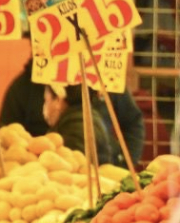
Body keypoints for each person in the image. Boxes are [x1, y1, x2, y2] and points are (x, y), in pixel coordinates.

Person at [2, 57, 145, 167]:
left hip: (99, 176)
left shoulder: (102, 79)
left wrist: (126, 165)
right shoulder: (22, 87)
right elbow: (7, 134)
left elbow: (133, 122)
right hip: (38, 178)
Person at [42, 84, 112, 165]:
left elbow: (75, 167)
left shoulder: (75, 126)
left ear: (58, 100)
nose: (44, 107)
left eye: (46, 100)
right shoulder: (83, 116)